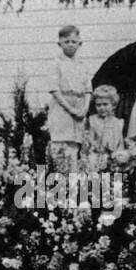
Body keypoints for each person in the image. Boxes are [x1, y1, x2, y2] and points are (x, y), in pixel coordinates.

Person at [46, 24, 92, 173]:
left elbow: (88, 90)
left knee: (75, 153)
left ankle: (73, 190)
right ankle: (61, 189)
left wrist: (84, 109)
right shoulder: (56, 64)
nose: (70, 45)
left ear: (80, 43)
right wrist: (71, 109)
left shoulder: (82, 65)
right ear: (60, 44)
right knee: (61, 152)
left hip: (79, 113)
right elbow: (55, 90)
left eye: (73, 41)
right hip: (62, 111)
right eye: (66, 42)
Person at [84, 84, 125, 169]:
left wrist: (118, 157)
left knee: (117, 180)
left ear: (113, 105)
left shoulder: (118, 123)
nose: (101, 108)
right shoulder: (92, 120)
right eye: (98, 105)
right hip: (96, 160)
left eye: (105, 104)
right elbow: (90, 141)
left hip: (114, 161)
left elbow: (120, 145)